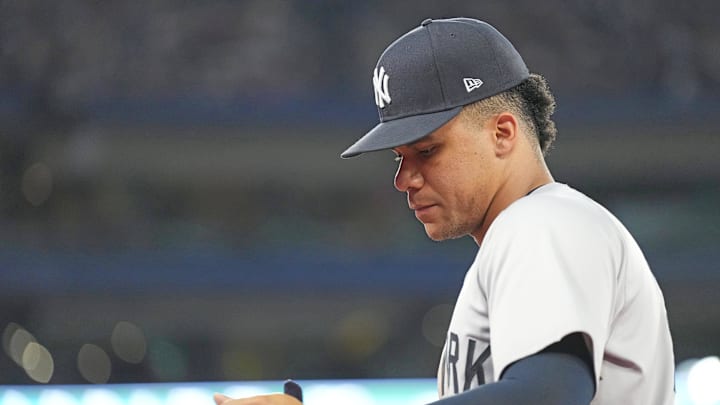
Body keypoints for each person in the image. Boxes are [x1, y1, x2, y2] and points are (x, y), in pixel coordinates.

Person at [214, 17, 675, 405]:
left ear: (503, 133)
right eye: (399, 157)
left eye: (428, 150)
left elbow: (549, 394)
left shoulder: (544, 224)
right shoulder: (526, 235)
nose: (404, 179)